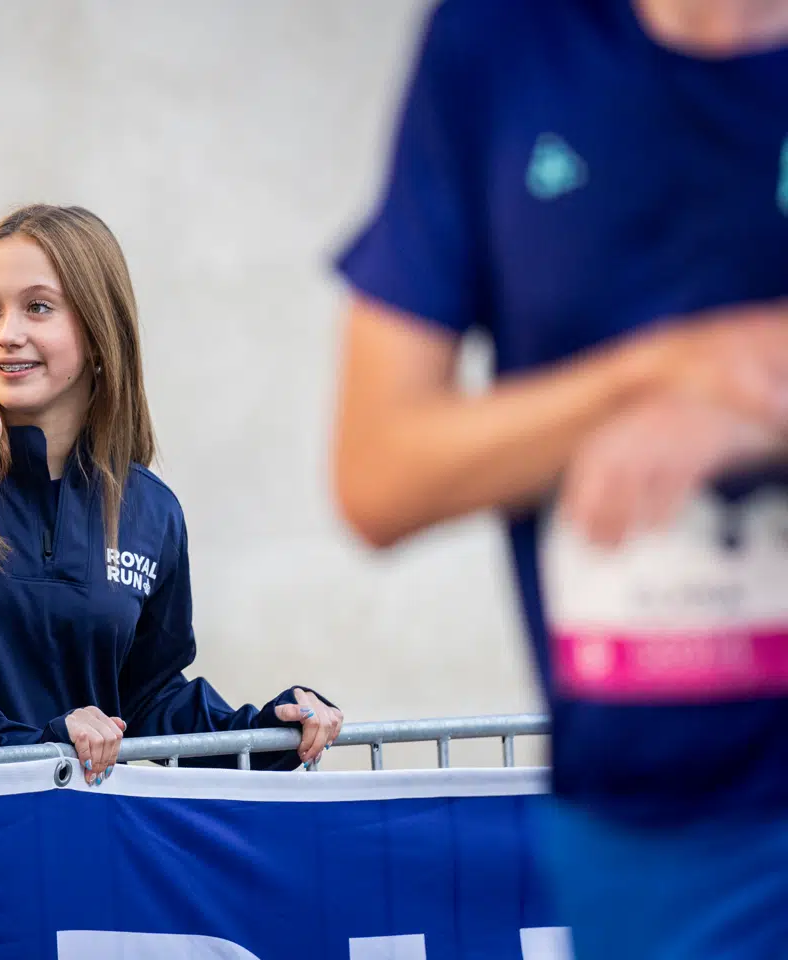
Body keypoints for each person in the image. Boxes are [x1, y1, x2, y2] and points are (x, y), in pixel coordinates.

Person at [333, 1, 788, 955]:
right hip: (644, 834)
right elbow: (378, 473)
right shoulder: (499, 41)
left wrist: (760, 404)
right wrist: (656, 376)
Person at [0, 205, 343, 784]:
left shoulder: (150, 510)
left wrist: (268, 733)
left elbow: (146, 699)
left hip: (80, 829)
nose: (6, 334)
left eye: (38, 307)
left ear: (99, 330)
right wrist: (43, 747)